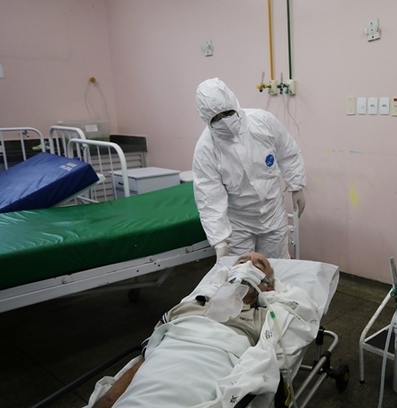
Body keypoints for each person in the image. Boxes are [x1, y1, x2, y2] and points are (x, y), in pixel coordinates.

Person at [91, 252, 317, 408]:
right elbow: (150, 352)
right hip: (164, 362)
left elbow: (290, 326)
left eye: (258, 265)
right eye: (241, 261)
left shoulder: (265, 316)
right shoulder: (190, 304)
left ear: (267, 286)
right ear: (227, 275)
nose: (247, 265)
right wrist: (110, 398)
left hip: (208, 372)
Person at [193, 78, 307, 260]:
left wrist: (296, 185)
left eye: (227, 113)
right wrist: (220, 240)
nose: (224, 121)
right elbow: (209, 195)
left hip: (273, 213)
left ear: (234, 104)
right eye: (216, 118)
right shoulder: (206, 148)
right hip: (239, 223)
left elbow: (288, 152)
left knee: (277, 265)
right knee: (242, 271)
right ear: (207, 119)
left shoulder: (262, 121)